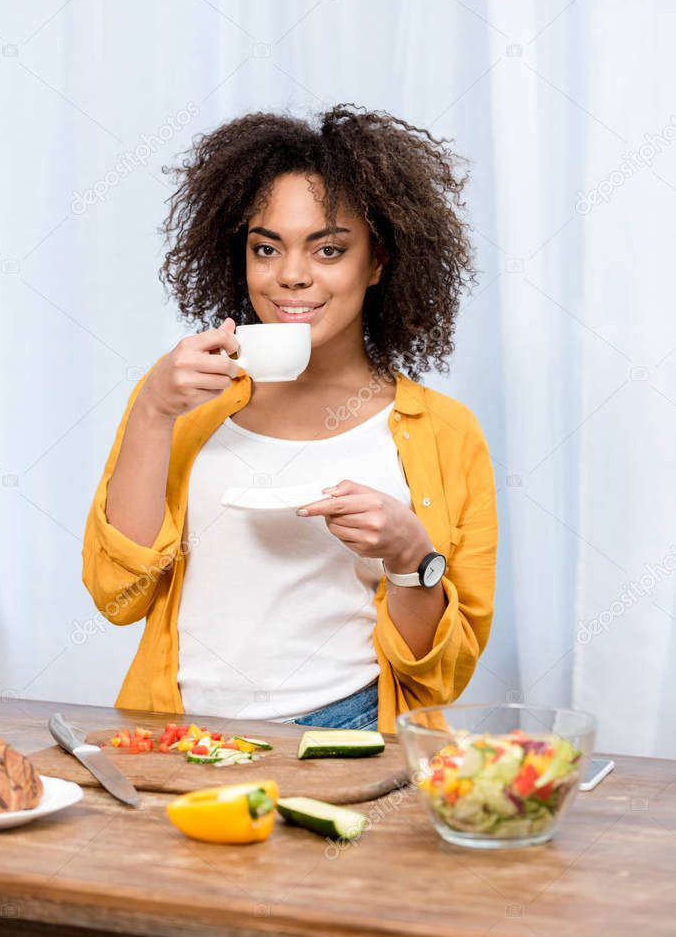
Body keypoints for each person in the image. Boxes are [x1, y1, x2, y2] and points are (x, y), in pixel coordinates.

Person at [81, 103, 498, 733]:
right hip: (178, 731)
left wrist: (413, 557)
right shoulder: (180, 401)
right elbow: (118, 595)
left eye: (328, 249)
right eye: (266, 248)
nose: (292, 276)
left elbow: (434, 673)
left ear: (377, 261)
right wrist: (151, 410)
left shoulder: (445, 432)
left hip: (351, 727)